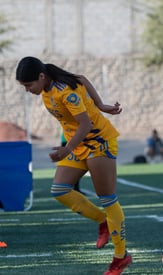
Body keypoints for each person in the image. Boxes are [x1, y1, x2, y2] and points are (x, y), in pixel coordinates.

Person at [16, 56, 132, 275]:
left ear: (41, 76)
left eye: (28, 85)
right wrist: (100, 105)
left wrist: (66, 149)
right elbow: (81, 78)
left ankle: (121, 257)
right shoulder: (49, 88)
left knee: (108, 199)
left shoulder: (65, 92)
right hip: (78, 145)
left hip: (99, 143)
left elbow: (86, 124)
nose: (27, 90)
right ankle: (103, 222)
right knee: (59, 190)